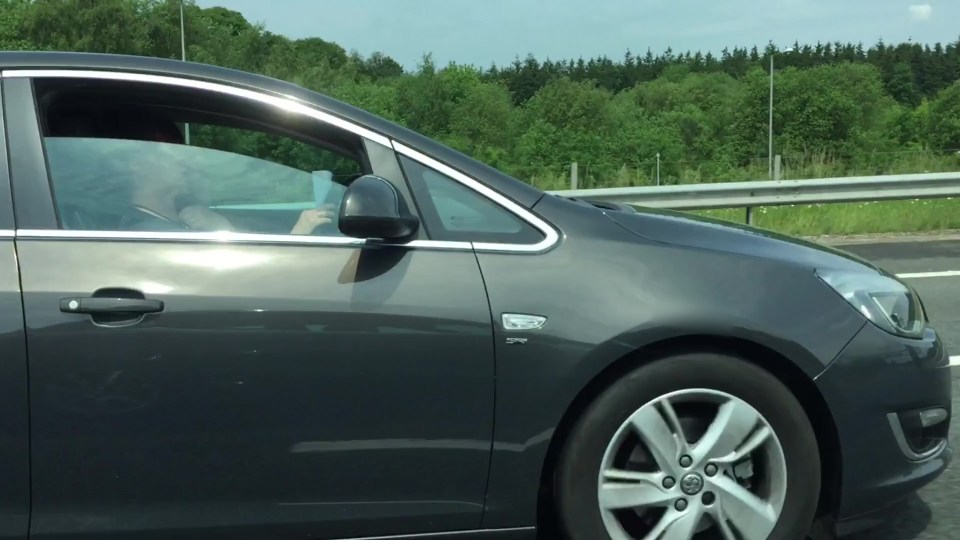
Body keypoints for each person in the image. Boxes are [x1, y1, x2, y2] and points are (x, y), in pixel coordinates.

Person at [109, 109, 335, 235]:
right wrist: (301, 230)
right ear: (137, 165)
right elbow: (251, 286)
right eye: (170, 148)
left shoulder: (172, 223)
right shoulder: (154, 235)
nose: (183, 157)